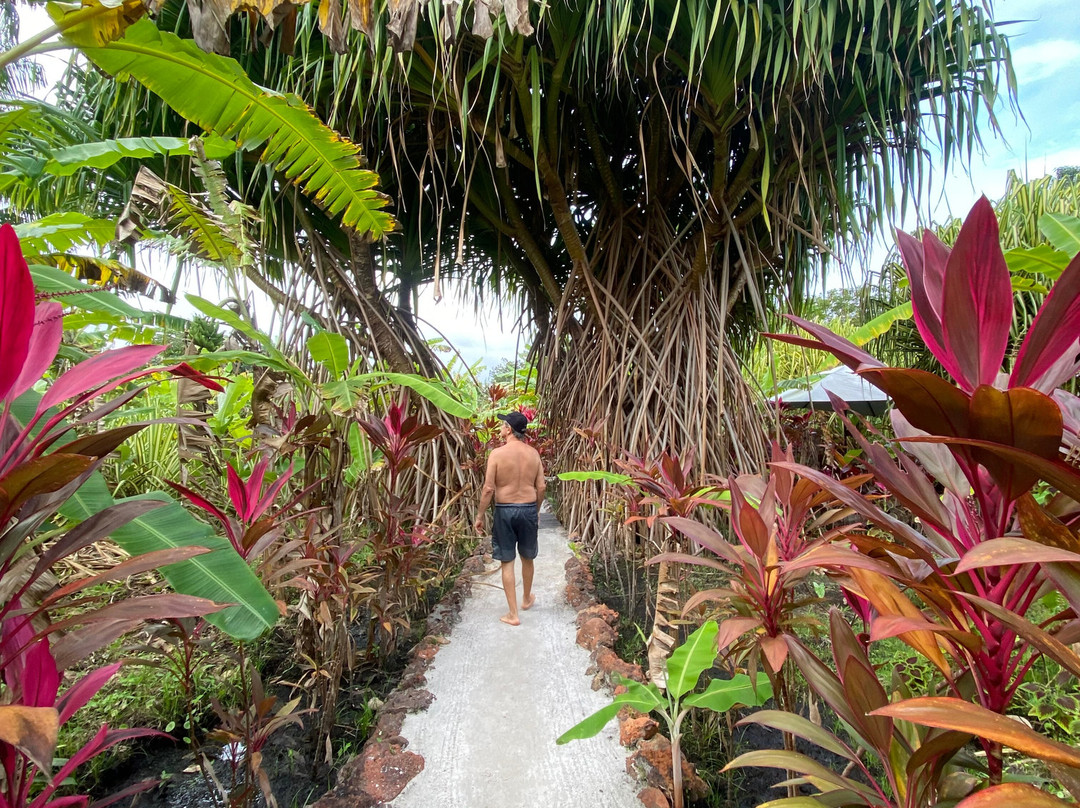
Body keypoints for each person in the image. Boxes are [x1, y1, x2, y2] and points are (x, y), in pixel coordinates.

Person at [474, 411, 546, 626]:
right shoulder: (534, 454)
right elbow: (541, 486)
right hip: (528, 509)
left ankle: (513, 614)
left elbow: (488, 489)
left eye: (502, 425)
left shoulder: (497, 454)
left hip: (505, 510)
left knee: (507, 561)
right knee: (527, 557)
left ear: (508, 429)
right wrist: (537, 510)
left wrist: (479, 515)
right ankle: (526, 599)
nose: (500, 428)